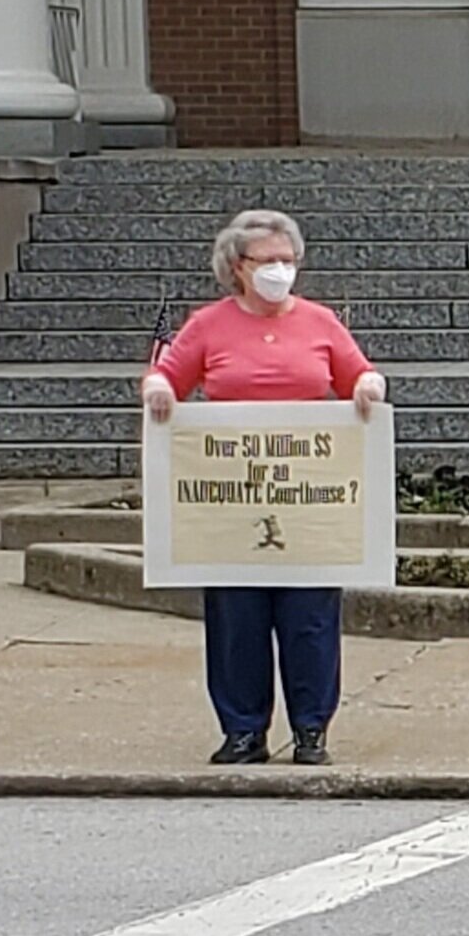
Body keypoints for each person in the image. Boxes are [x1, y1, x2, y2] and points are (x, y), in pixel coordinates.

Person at [141, 210, 386, 767]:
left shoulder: (321, 322)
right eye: (267, 261)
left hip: (307, 493)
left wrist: (369, 387)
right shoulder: (208, 324)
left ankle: (310, 729)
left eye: (287, 260)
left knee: (310, 617)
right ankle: (244, 730)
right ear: (237, 267)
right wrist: (158, 391)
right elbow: (168, 377)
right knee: (237, 616)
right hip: (231, 492)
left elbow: (357, 375)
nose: (280, 271)